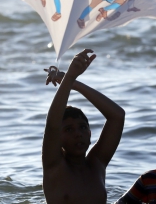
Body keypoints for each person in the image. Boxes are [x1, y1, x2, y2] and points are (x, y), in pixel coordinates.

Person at [42, 49, 125, 204]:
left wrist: (74, 84)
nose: (78, 134)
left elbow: (117, 116)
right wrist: (70, 76)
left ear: (90, 132)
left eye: (82, 127)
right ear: (57, 139)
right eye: (68, 129)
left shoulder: (97, 164)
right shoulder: (54, 166)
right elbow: (52, 125)